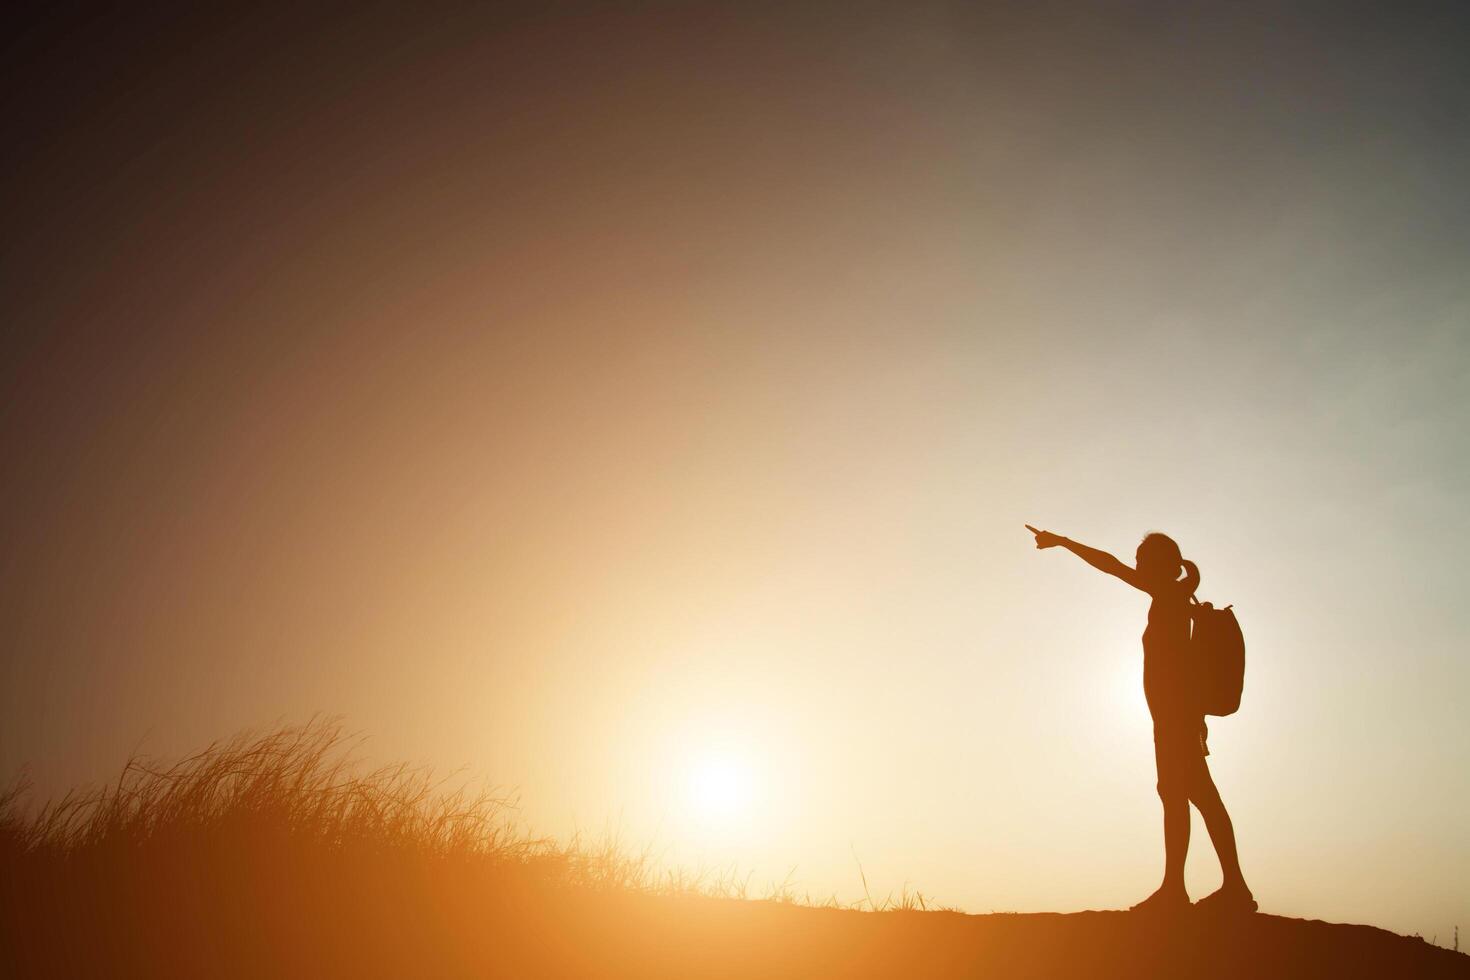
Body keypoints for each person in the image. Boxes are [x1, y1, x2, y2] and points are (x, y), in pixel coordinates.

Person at [1025, 524, 1256, 913]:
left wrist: (1064, 543)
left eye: (1142, 561)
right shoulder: (1177, 597)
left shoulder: (1168, 594)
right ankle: (1226, 888)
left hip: (1174, 717)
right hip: (1175, 715)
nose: (1136, 567)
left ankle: (1180, 891)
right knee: (1195, 796)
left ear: (1161, 566)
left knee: (1180, 796)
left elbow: (1111, 566)